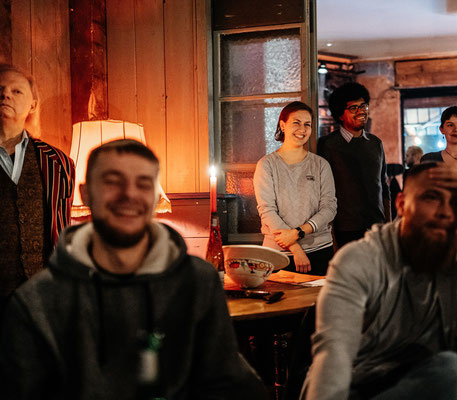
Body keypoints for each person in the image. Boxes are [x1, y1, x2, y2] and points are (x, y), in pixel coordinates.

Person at [0, 139, 266, 399]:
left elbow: (229, 384)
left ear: (154, 196)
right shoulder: (37, 302)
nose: (129, 194)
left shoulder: (197, 281)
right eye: (113, 181)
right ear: (85, 193)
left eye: (143, 183)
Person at [301, 162, 457, 400]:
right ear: (401, 204)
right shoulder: (360, 259)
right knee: (454, 373)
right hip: (360, 385)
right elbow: (334, 354)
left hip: (430, 378)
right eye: (432, 197)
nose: (445, 211)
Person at [0, 64, 75, 317]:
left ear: (33, 104)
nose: (5, 95)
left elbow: (61, 232)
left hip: (40, 300)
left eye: (16, 91)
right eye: (0, 89)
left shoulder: (57, 162)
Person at [254, 101, 336, 276]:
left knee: (318, 303)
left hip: (320, 250)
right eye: (296, 123)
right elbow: (267, 210)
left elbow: (329, 208)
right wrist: (296, 249)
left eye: (307, 124)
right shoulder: (266, 165)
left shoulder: (321, 165)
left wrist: (298, 232)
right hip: (277, 253)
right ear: (283, 125)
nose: (302, 129)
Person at [318, 82, 391, 248]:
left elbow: (384, 188)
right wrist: (331, 238)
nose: (361, 111)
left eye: (363, 106)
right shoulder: (327, 145)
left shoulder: (375, 143)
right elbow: (323, 194)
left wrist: (388, 225)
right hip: (346, 230)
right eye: (353, 108)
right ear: (340, 115)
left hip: (377, 227)